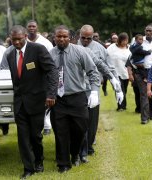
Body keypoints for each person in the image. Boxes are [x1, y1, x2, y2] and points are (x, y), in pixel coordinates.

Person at [6, 25, 58, 179]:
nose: (16, 42)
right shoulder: (10, 56)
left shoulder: (38, 50)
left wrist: (51, 94)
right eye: (13, 40)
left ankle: (39, 162)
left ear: (25, 37)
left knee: (36, 136)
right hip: (20, 103)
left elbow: (52, 71)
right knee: (23, 137)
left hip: (37, 101)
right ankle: (28, 168)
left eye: (19, 39)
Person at [50, 25, 100, 173]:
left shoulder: (80, 52)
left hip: (78, 97)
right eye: (59, 36)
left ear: (71, 38)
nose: (61, 39)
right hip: (58, 100)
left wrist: (94, 92)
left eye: (65, 36)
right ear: (54, 37)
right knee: (60, 132)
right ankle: (63, 164)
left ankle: (76, 153)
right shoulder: (49, 54)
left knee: (80, 129)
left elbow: (93, 72)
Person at [77, 25, 122, 160]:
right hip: (77, 89)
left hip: (93, 88)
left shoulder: (99, 48)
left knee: (92, 121)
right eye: (83, 38)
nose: (85, 40)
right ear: (79, 35)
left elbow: (108, 67)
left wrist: (116, 86)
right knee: (80, 121)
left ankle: (89, 145)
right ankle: (81, 149)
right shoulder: (73, 46)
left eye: (88, 38)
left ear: (93, 36)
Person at [128, 24, 152, 124]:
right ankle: (144, 118)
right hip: (140, 72)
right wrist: (130, 72)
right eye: (146, 30)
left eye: (150, 31)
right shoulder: (138, 40)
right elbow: (130, 57)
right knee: (143, 94)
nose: (148, 32)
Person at [26, 20, 54, 135]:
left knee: (45, 101)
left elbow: (52, 59)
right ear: (26, 28)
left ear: (37, 28)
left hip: (43, 75)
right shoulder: (24, 40)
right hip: (29, 76)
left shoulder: (45, 42)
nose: (32, 28)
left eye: (34, 26)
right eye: (29, 26)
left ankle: (47, 125)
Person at [107, 32, 131, 111]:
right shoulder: (112, 48)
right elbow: (106, 57)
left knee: (125, 90)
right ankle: (120, 106)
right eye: (123, 40)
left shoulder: (129, 48)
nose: (125, 42)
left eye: (126, 40)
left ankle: (123, 105)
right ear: (119, 40)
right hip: (116, 72)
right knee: (119, 89)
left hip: (126, 72)